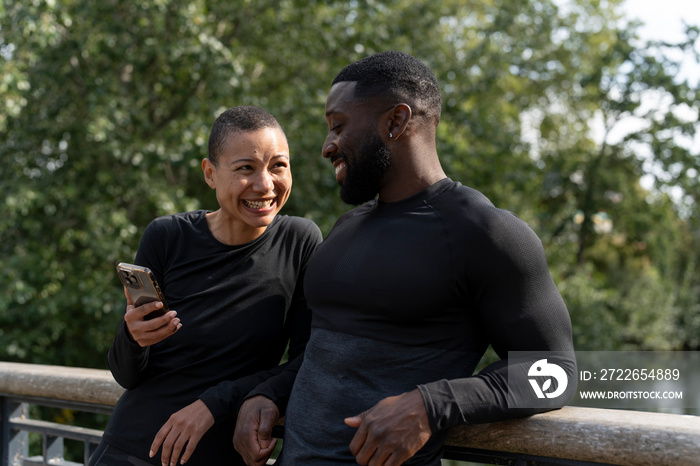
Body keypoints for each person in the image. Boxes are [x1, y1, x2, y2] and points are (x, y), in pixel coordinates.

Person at [233, 51, 577, 466]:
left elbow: (556, 374)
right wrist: (269, 393)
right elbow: (328, 358)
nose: (327, 147)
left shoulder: (485, 232)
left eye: (338, 127)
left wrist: (430, 404)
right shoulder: (346, 229)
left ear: (396, 122)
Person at [91, 106, 322, 466]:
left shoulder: (300, 241)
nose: (265, 184)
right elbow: (126, 374)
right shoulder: (166, 236)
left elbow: (310, 359)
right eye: (246, 168)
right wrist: (132, 336)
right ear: (210, 174)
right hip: (132, 449)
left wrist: (214, 403)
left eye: (278, 165)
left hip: (224, 452)